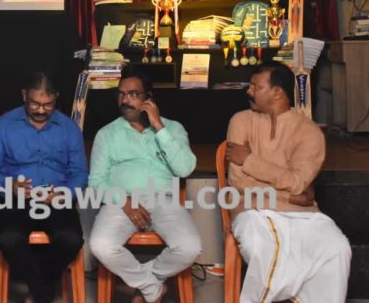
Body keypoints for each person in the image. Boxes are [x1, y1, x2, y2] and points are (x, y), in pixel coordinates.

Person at [226, 61, 351, 303]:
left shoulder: (309, 132)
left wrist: (249, 160)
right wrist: (290, 195)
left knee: (337, 247)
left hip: (303, 215)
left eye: (256, 86)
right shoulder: (240, 121)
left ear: (277, 92)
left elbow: (298, 181)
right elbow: (239, 181)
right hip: (252, 211)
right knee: (260, 246)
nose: (249, 91)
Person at [89, 63, 201, 303]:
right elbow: (96, 182)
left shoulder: (173, 129)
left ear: (148, 98)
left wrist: (159, 127)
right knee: (100, 245)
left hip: (163, 200)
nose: (125, 100)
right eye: (121, 94)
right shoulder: (107, 134)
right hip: (120, 202)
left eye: (133, 94)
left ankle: (146, 283)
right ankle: (152, 288)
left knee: (189, 247)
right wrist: (125, 202)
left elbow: (185, 168)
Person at [0, 71, 88, 303]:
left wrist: (63, 193)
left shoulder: (69, 128)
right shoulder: (3, 125)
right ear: (24, 95)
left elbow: (80, 173)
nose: (40, 110)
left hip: (56, 198)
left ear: (56, 98)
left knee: (71, 239)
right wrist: (10, 186)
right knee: (8, 239)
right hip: (16, 198)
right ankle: (43, 293)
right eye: (34, 103)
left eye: (47, 105)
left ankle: (37, 290)